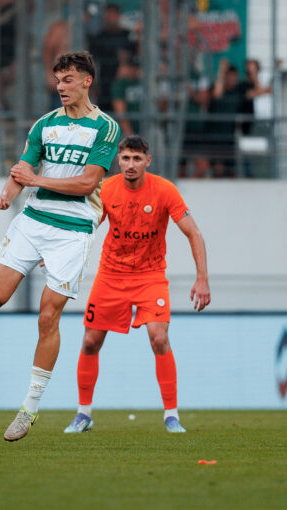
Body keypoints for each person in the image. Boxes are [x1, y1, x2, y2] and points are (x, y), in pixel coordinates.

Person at [0, 51, 120, 442]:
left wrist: (36, 181)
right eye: (58, 79)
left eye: (68, 79)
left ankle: (28, 409)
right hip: (33, 221)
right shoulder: (45, 125)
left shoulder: (106, 127)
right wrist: (5, 194)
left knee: (48, 316)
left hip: (74, 229)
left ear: (87, 81)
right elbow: (21, 171)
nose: (60, 87)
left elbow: (87, 184)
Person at [63, 134, 210, 435]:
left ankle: (171, 415)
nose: (131, 165)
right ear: (118, 160)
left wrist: (202, 279)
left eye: (137, 159)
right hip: (111, 275)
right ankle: (83, 413)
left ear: (148, 161)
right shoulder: (106, 189)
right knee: (91, 341)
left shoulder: (165, 191)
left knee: (159, 338)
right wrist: (60, 254)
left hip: (150, 276)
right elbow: (85, 227)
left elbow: (193, 233)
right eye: (126, 158)